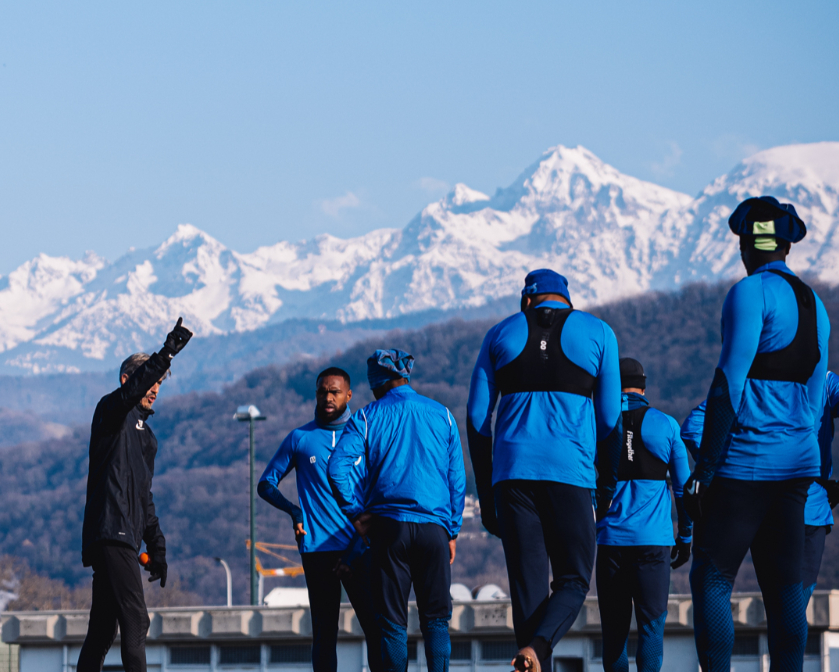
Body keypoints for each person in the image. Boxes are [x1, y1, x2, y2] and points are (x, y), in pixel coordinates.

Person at [682, 196, 829, 672]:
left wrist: (704, 469)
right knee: (785, 587)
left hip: (745, 463)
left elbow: (728, 384)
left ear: (746, 245)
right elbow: (815, 397)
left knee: (712, 579)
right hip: (796, 466)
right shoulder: (815, 304)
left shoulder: (749, 293)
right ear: (786, 245)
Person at [465, 268, 621, 672]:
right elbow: (608, 421)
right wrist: (606, 485)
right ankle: (536, 649)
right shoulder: (599, 333)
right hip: (570, 475)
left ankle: (530, 654)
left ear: (527, 299)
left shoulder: (500, 333)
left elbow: (478, 417)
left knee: (528, 593)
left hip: (512, 477)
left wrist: (486, 494)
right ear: (566, 299)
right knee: (572, 581)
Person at [680, 369, 839, 606]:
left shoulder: (750, 382)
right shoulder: (826, 383)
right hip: (809, 507)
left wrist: (729, 470)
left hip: (762, 508)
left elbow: (692, 428)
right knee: (794, 611)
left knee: (775, 608)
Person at [329, 350, 465, 672]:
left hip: (388, 529)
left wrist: (355, 513)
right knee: (436, 622)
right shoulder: (442, 415)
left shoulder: (366, 417)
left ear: (376, 383)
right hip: (434, 529)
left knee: (392, 625)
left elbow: (337, 468)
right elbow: (456, 479)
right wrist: (452, 530)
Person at [77, 318, 193, 672]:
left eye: (159, 383)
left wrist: (156, 548)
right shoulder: (110, 412)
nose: (155, 387)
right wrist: (166, 353)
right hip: (110, 532)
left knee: (102, 631)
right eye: (150, 380)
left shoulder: (147, 437)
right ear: (128, 381)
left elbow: (145, 498)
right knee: (136, 620)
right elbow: (129, 395)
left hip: (127, 538)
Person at [258, 367, 382, 672]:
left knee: (377, 630)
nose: (328, 397)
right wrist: (294, 511)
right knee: (325, 635)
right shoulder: (300, 438)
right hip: (318, 551)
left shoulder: (365, 435)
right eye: (322, 391)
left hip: (361, 547)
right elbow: (265, 484)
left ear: (348, 395)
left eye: (334, 391)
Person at [594, 358, 691, 672]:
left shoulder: (598, 424)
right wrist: (686, 537)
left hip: (610, 544)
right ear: (644, 387)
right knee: (651, 629)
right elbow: (683, 489)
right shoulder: (666, 425)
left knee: (614, 635)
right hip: (653, 545)